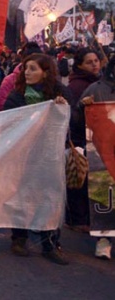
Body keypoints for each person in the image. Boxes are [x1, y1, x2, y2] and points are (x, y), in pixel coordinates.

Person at [3, 53, 71, 265]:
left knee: (50, 198)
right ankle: (19, 238)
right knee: (22, 196)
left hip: (50, 156)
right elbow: (8, 120)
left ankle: (49, 243)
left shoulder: (60, 93)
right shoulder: (17, 95)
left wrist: (62, 107)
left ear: (46, 72)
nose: (27, 72)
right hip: (24, 155)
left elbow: (73, 118)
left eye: (33, 68)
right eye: (26, 68)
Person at [77, 53, 115, 259]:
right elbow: (76, 119)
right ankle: (103, 239)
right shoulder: (95, 90)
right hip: (104, 153)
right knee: (105, 196)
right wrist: (82, 106)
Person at [64, 48, 102, 233]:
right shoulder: (77, 87)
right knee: (80, 180)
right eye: (89, 62)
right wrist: (81, 106)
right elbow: (72, 116)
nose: (95, 64)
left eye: (96, 60)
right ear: (79, 65)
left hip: (97, 139)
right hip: (81, 139)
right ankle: (78, 220)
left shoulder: (100, 83)